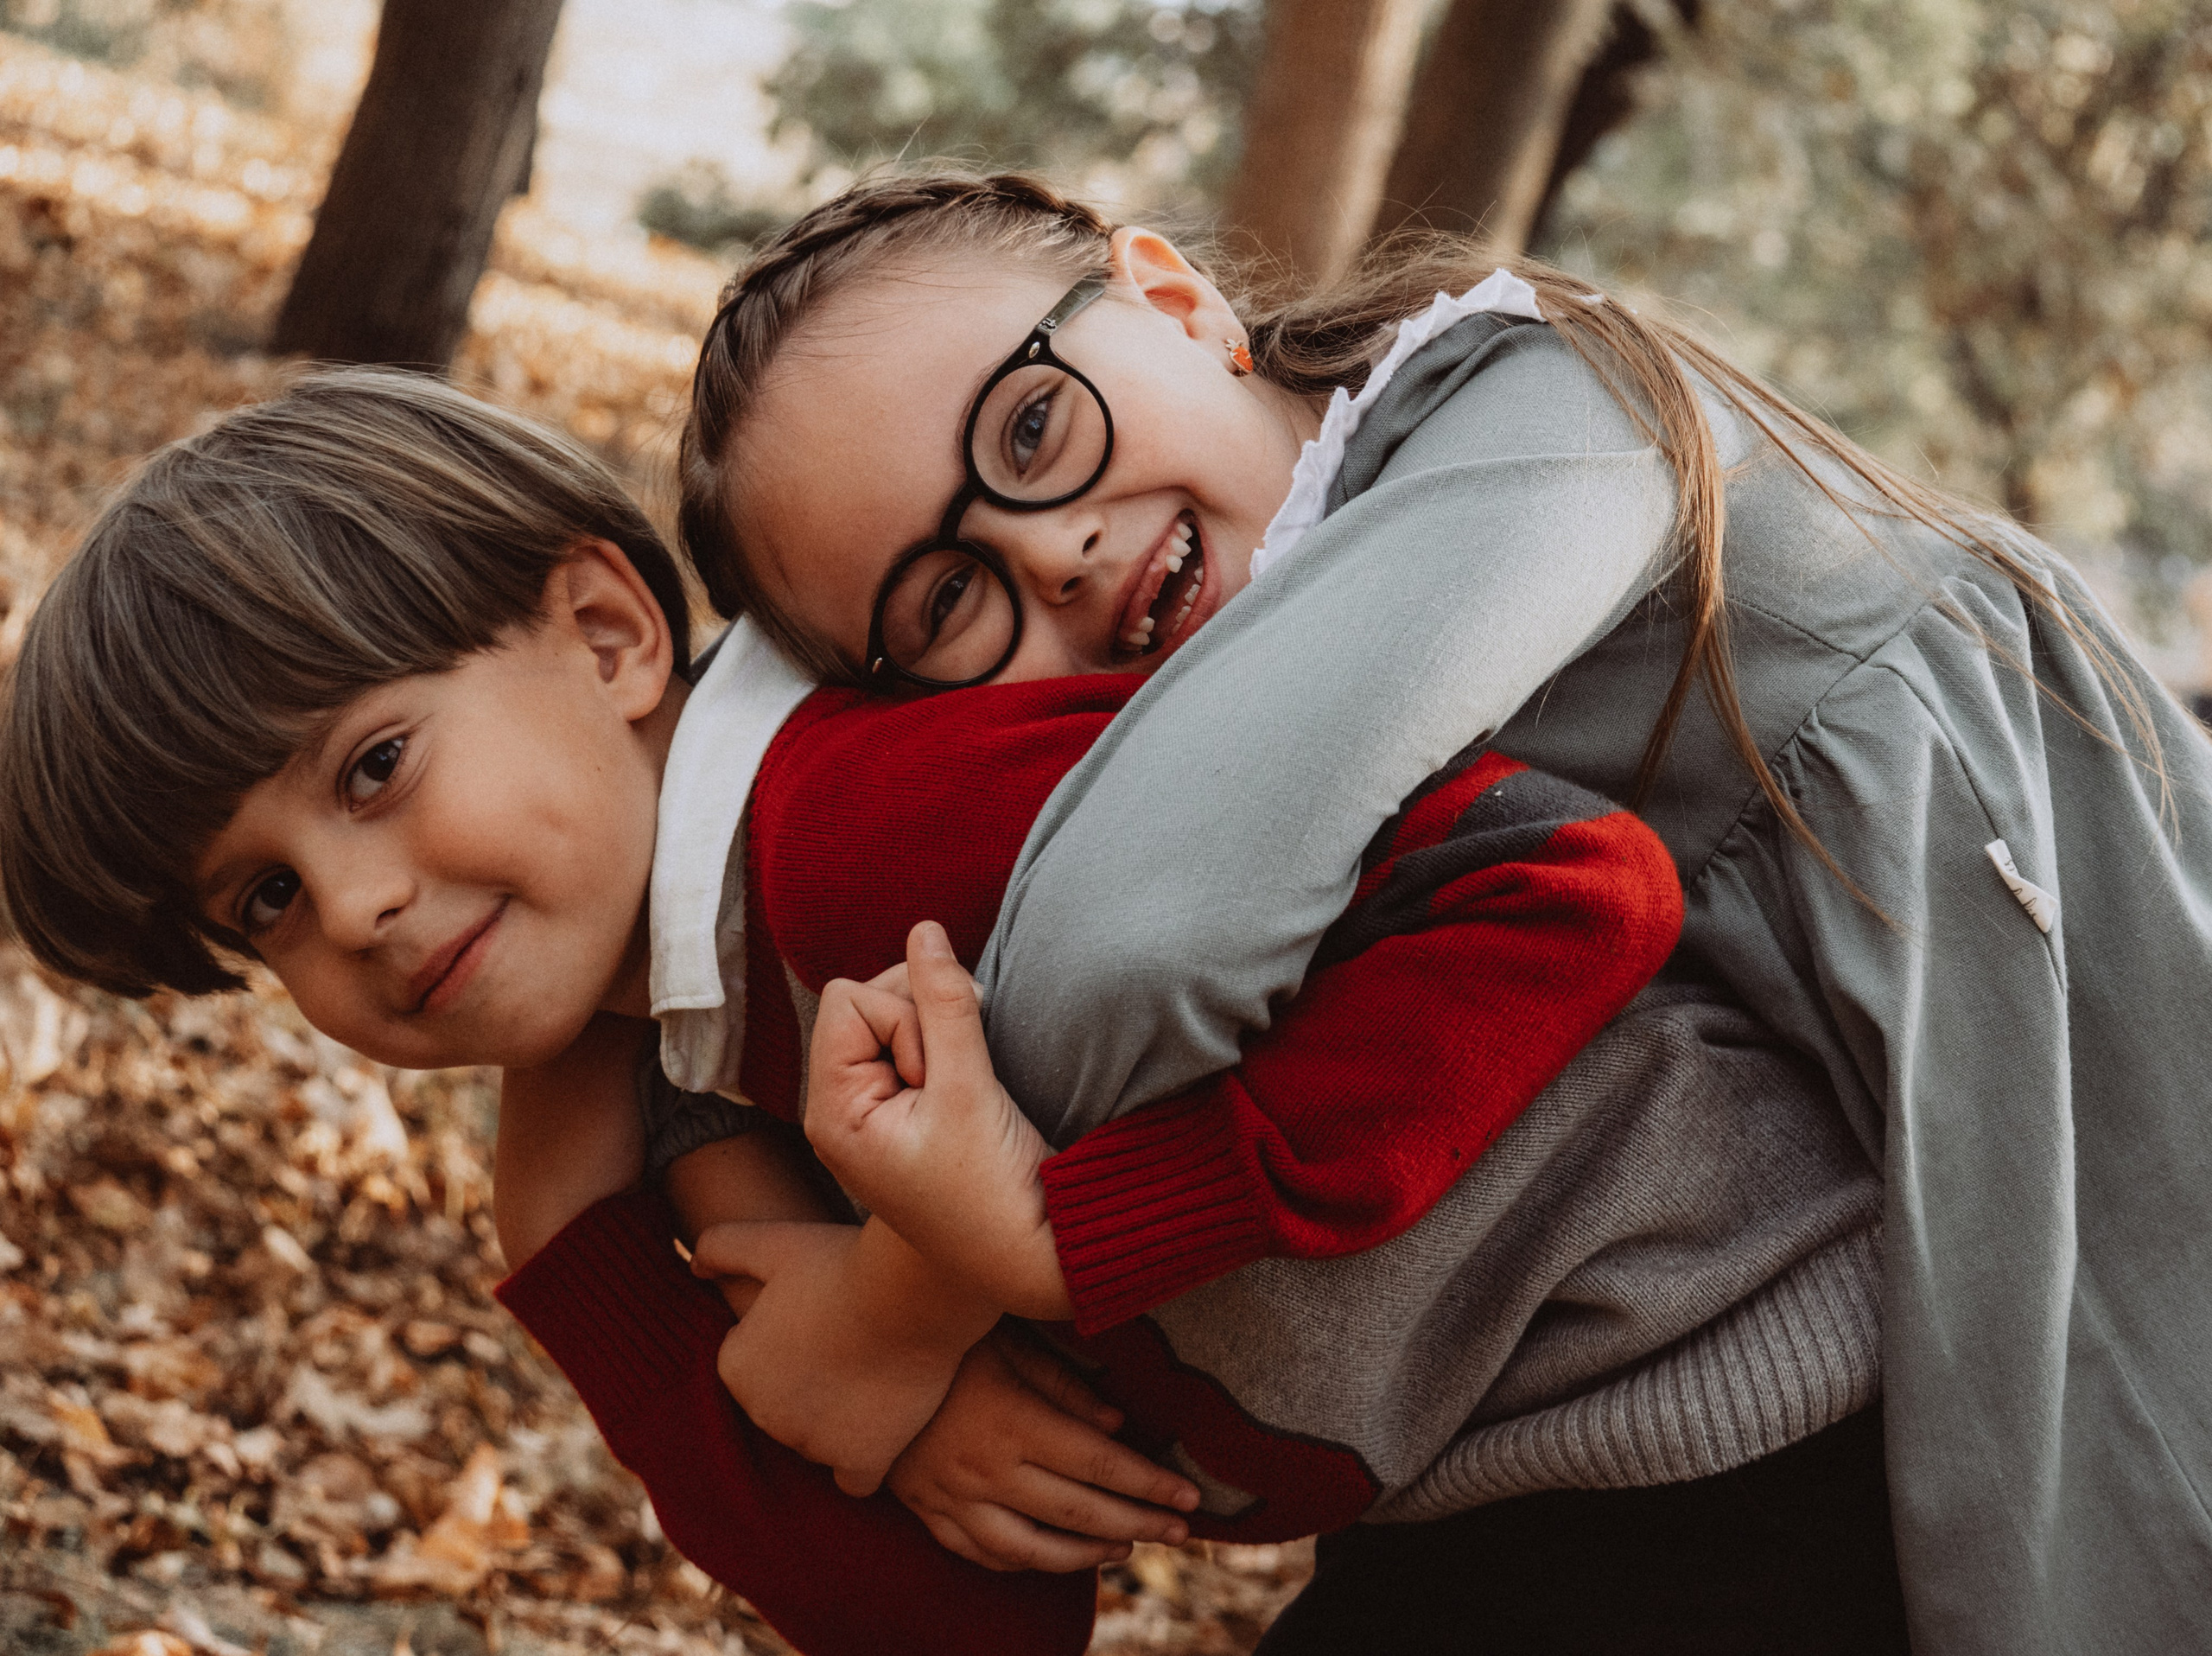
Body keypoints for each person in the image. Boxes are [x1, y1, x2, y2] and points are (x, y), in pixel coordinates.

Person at [2, 371, 1857, 1653]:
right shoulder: (702, 1075)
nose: (356, 906)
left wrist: (1030, 1245)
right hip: (1534, 1492)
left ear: (605, 634)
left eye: (374, 766)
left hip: (1753, 1406)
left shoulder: (873, 820)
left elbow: (1565, 884)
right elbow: (958, 1616)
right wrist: (582, 1249)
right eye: (264, 902)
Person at [676, 169, 2212, 1653]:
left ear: (1169, 297)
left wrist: (926, 1287)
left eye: (1033, 426)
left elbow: (1136, 939)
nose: (1050, 549)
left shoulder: (1537, 405)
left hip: (2114, 1129)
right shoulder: (1269, 691)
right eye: (946, 601)